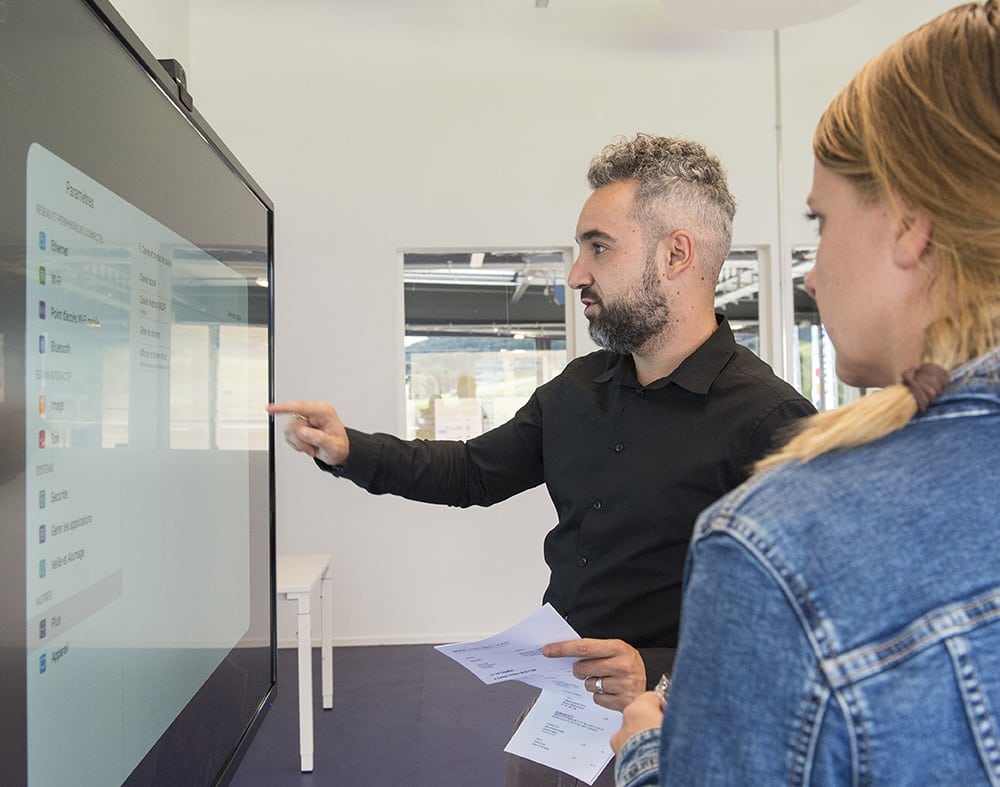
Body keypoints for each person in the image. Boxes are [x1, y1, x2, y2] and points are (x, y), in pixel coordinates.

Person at [269, 133, 815, 787]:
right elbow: (472, 471)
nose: (576, 273)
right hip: (558, 708)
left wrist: (656, 667)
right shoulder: (576, 391)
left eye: (598, 246)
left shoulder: (772, 422)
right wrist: (350, 448)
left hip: (679, 724)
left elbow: (801, 621)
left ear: (676, 254)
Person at [611, 3, 1000, 785]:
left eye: (821, 221)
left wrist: (647, 753)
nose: (813, 274)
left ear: (909, 222)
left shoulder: (779, 539)